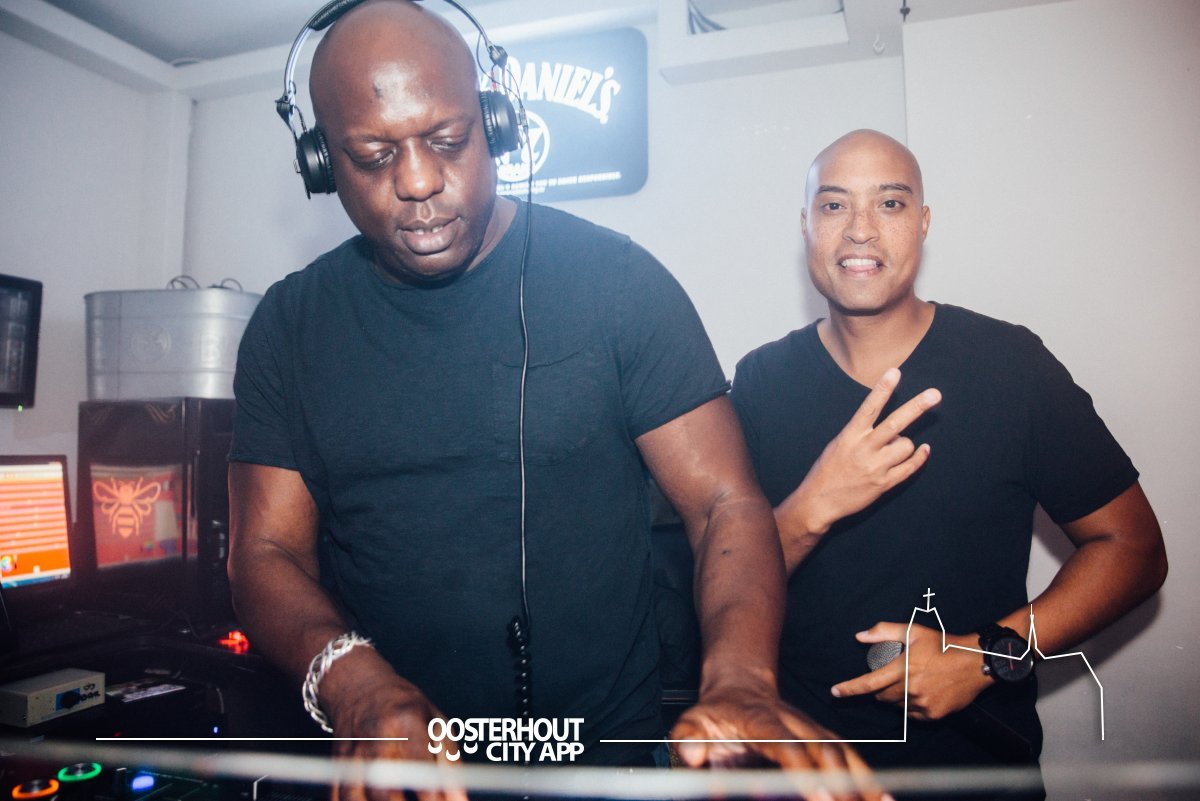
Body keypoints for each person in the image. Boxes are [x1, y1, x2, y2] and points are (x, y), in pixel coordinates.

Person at [227, 3, 881, 800]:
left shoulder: (618, 284)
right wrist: (352, 680)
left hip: (610, 762)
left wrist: (740, 677)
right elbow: (264, 551)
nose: (419, 181)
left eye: (448, 139)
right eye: (373, 155)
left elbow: (722, 501)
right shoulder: (289, 326)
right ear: (322, 160)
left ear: (495, 122)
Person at [730, 130, 1168, 800]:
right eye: (835, 205)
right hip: (804, 777)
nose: (861, 230)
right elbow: (720, 589)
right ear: (806, 226)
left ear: (924, 222)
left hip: (977, 775)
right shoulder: (761, 381)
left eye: (891, 204)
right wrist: (813, 505)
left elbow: (1133, 548)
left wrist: (984, 655)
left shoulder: (1010, 367)